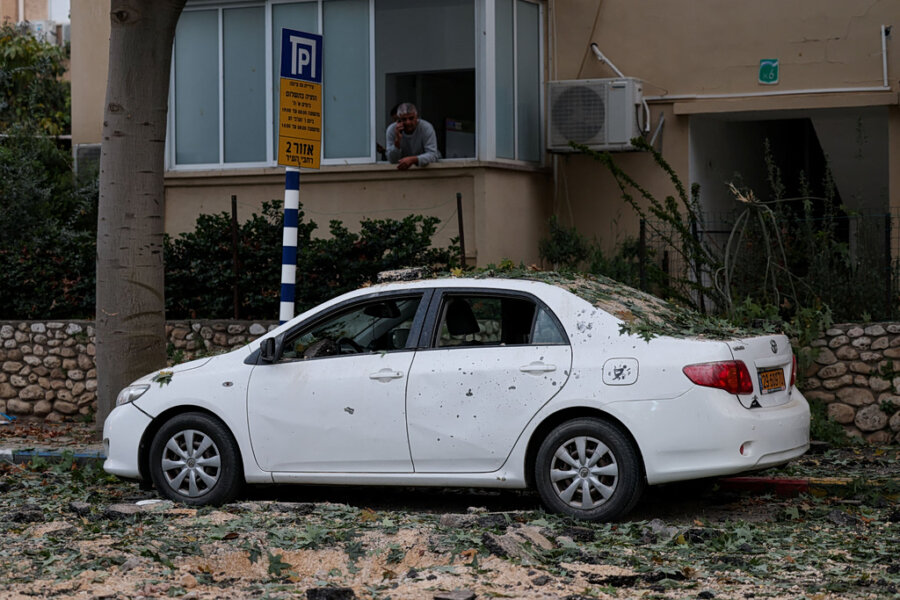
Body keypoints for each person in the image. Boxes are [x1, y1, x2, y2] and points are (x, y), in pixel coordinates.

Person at [385, 103, 440, 170]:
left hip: (425, 171)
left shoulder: (426, 128)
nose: (408, 122)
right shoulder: (392, 130)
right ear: (398, 120)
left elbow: (433, 155)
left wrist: (414, 159)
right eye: (404, 119)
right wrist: (397, 142)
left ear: (417, 117)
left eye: (411, 118)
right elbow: (392, 161)